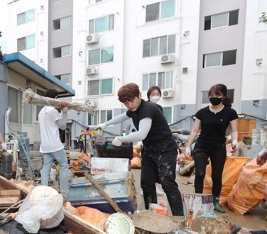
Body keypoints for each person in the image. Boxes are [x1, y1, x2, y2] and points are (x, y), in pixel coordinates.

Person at [99, 83, 184, 216]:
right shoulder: (134, 109)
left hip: (165, 149)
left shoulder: (147, 108)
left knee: (167, 183)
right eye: (126, 103)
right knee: (147, 183)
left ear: (139, 95)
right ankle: (152, 214)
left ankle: (179, 218)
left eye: (132, 100)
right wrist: (106, 123)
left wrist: (121, 139)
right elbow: (122, 116)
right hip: (149, 149)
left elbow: (141, 134)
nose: (130, 105)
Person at [185, 83, 238, 213]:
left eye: (217, 95)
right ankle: (197, 200)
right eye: (211, 95)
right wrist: (188, 145)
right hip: (202, 146)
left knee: (217, 175)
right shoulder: (202, 112)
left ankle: (215, 202)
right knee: (200, 173)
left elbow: (234, 130)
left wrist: (235, 140)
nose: (214, 97)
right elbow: (194, 130)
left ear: (223, 96)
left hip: (218, 147)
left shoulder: (230, 113)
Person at [38, 88, 69, 200]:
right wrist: (64, 111)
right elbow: (63, 126)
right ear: (55, 98)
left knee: (46, 168)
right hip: (55, 145)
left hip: (45, 146)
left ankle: (43, 193)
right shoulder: (52, 111)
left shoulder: (41, 112)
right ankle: (64, 194)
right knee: (64, 166)